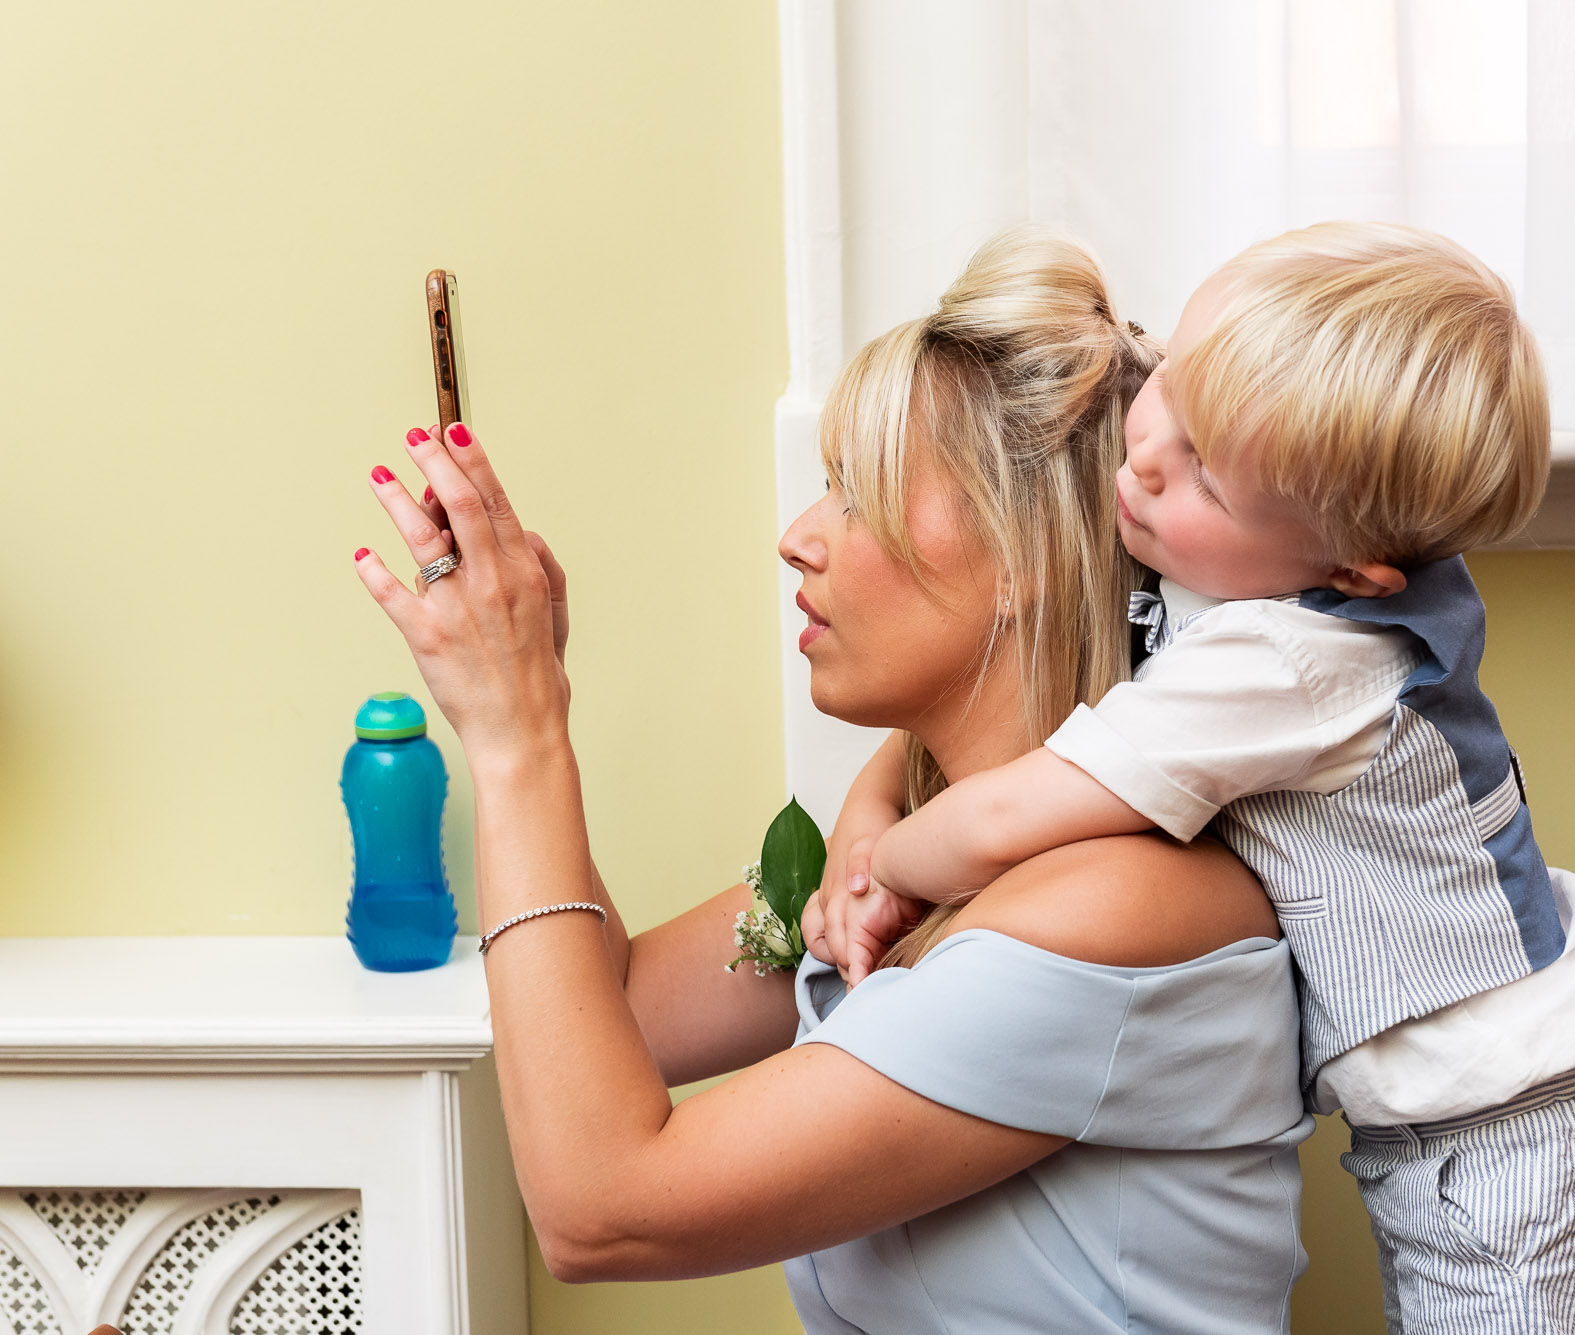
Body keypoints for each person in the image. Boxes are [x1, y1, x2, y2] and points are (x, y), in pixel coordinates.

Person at [352, 225, 1316, 1332]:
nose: (797, 539)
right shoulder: (897, 846)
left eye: (855, 493)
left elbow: (599, 1210)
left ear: (1026, 561)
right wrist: (533, 696)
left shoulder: (1123, 906)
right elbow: (603, 1023)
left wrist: (514, 743)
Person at [815, 222, 1575, 1332]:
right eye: (1168, 383)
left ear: (1351, 568)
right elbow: (931, 739)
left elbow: (999, 816)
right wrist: (864, 812)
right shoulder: (1268, 565)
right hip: (1509, 1132)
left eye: (1205, 481)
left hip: (1515, 1165)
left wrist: (888, 866)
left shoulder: (1287, 663)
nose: (1142, 465)